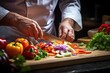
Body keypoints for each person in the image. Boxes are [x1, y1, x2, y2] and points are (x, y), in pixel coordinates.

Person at [0, 0, 82, 43]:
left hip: (48, 40)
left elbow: (70, 1)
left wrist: (68, 20)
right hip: (7, 38)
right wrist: (14, 19)